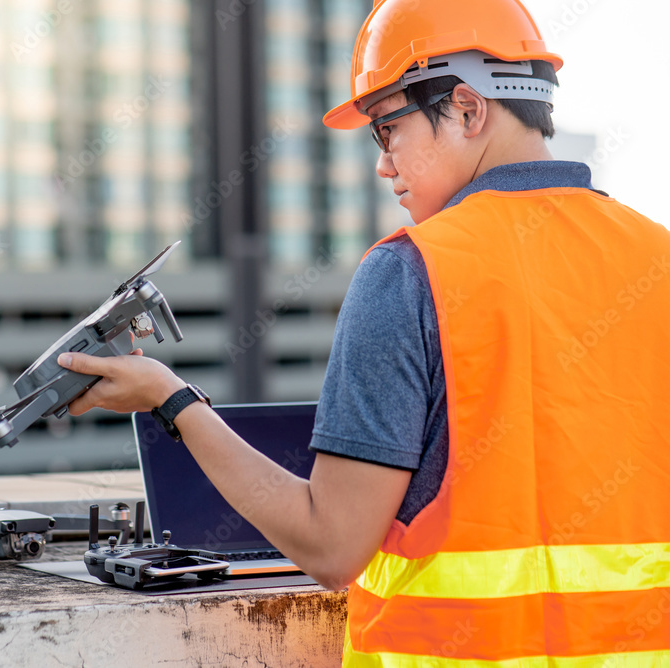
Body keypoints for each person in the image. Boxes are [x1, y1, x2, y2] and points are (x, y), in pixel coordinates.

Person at [58, 0, 670, 663]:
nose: (383, 164)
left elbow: (331, 546)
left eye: (387, 129)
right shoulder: (655, 259)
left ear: (468, 109)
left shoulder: (411, 272)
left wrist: (170, 400)